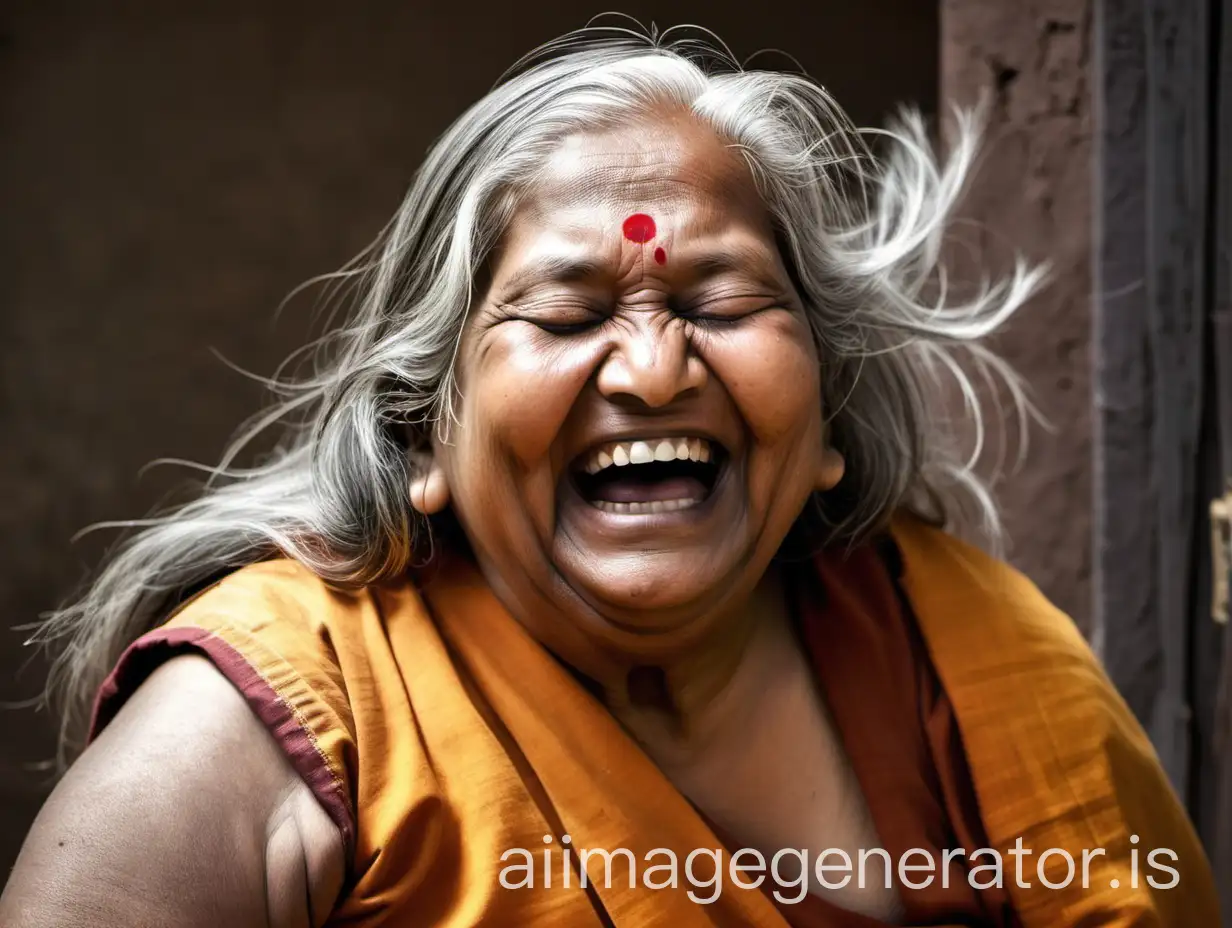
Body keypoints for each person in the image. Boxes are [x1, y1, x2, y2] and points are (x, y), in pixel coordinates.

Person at [0, 22, 1219, 928]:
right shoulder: (283, 716)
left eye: (721, 298)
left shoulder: (972, 650)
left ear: (828, 420)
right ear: (425, 436)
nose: (649, 366)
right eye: (567, 310)